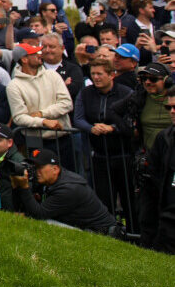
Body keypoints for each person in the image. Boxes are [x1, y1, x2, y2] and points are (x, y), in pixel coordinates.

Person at [72, 57, 139, 225]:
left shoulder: (126, 93)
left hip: (123, 155)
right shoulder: (86, 93)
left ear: (111, 75)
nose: (96, 77)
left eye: (100, 74)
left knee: (129, 199)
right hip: (100, 156)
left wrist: (112, 128)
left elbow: (131, 122)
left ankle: (133, 233)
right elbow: (78, 119)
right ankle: (108, 232)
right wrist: (91, 128)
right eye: (93, 74)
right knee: (103, 198)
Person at [10, 148, 120, 236]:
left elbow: (39, 214)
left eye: (40, 167)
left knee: (41, 224)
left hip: (99, 234)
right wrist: (16, 187)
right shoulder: (48, 180)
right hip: (82, 227)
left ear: (55, 169)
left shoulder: (68, 189)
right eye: (34, 167)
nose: (36, 171)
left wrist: (23, 187)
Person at [7, 42, 76, 169]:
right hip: (36, 142)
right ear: (24, 59)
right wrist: (43, 122)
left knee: (68, 176)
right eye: (35, 53)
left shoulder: (52, 75)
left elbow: (67, 104)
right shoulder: (14, 85)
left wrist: (42, 114)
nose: (40, 54)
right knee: (40, 179)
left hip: (62, 138)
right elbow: (19, 117)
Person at [139, 90, 175, 253]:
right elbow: (153, 177)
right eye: (169, 108)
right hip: (167, 214)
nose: (172, 112)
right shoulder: (164, 138)